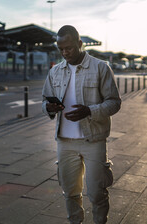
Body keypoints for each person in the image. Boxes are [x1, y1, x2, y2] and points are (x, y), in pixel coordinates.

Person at [42, 25, 121, 224]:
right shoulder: (55, 72)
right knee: (70, 192)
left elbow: (114, 102)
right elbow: (44, 101)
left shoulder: (100, 67)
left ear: (79, 44)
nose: (64, 52)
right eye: (60, 49)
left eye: (68, 48)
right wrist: (49, 107)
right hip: (65, 142)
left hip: (93, 140)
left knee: (97, 193)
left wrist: (89, 111)